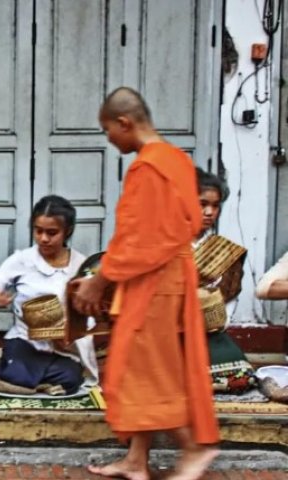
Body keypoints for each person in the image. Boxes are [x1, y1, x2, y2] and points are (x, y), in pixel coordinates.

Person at [72, 87, 219, 480]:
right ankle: (136, 461)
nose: (108, 140)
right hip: (162, 274)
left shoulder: (148, 166)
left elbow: (141, 239)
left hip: (154, 277)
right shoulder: (176, 160)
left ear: (125, 123)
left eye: (107, 131)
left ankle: (195, 447)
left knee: (147, 369)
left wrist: (98, 281)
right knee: (144, 365)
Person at [0, 195, 98, 395]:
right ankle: (5, 371)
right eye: (38, 231)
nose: (43, 239)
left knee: (71, 378)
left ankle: (30, 379)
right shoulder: (22, 260)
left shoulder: (80, 266)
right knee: (17, 376)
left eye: (52, 233)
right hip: (25, 341)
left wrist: (71, 334)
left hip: (62, 348)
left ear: (68, 231)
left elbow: (89, 315)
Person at [194, 168, 255, 394]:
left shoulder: (225, 253)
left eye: (215, 205)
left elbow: (225, 305)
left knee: (241, 378)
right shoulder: (164, 246)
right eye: (202, 204)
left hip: (208, 333)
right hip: (165, 334)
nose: (209, 212)